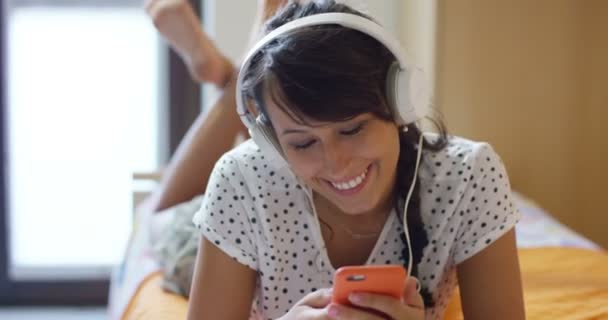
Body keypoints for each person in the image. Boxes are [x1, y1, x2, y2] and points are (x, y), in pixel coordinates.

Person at [185, 1, 526, 320]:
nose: (336, 164)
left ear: (400, 104)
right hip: (198, 232)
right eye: (303, 143)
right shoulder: (240, 181)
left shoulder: (470, 176)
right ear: (272, 146)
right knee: (166, 214)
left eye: (351, 130)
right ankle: (222, 71)